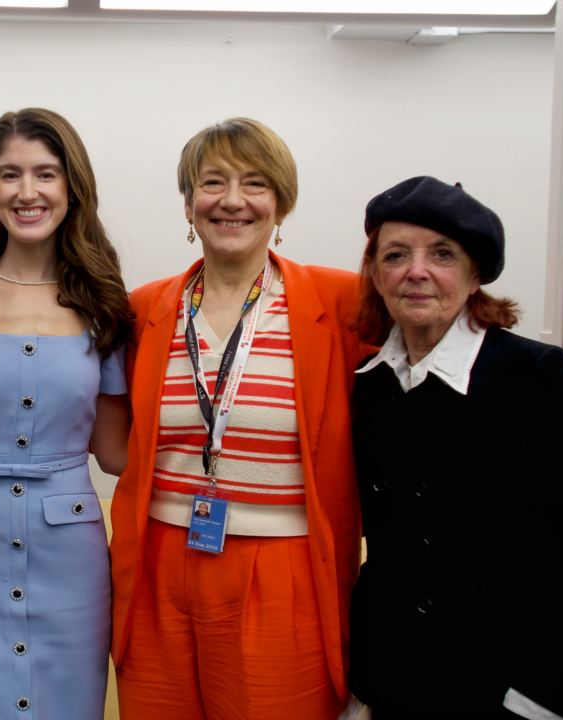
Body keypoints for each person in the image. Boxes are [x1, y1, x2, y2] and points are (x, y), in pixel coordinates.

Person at [111, 118, 375, 720]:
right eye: (213, 182)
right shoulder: (146, 309)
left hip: (284, 570)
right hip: (157, 565)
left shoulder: (343, 303)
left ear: (281, 203)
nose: (232, 200)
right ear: (188, 204)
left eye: (255, 183)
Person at [348, 176, 563, 720]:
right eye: (396, 254)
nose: (416, 271)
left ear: (475, 273)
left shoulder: (537, 378)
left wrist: (538, 702)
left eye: (442, 254)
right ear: (375, 274)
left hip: (518, 694)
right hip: (402, 687)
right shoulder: (371, 383)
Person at [0, 108, 133, 719]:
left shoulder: (105, 303)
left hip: (72, 552)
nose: (27, 191)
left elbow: (115, 452)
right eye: (9, 174)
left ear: (71, 187)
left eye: (45, 173)